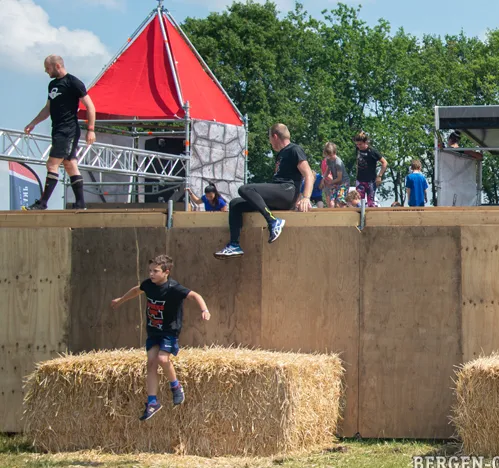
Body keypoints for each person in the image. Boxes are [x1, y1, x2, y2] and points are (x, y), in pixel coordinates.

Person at [110, 254, 210, 421]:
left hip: (169, 332)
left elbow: (195, 295)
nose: (151, 274)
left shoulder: (173, 288)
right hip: (153, 331)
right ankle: (152, 402)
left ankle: (176, 387)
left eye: (155, 271)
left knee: (163, 359)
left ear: (166, 272)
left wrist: (204, 309)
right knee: (151, 362)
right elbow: (137, 290)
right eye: (150, 271)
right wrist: (121, 300)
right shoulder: (148, 285)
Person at [214, 124, 314, 258]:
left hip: (287, 191)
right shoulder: (280, 155)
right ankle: (234, 245)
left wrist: (306, 197)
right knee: (235, 204)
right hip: (280, 193)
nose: (270, 143)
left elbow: (309, 174)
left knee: (246, 189)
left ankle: (273, 221)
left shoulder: (294, 149)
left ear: (275, 136)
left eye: (270, 139)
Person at [23, 55, 96, 210]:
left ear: (57, 66)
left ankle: (42, 203)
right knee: (70, 165)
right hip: (57, 129)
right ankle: (80, 204)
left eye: (47, 68)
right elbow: (47, 108)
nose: (45, 71)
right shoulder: (52, 85)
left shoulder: (74, 83)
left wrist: (91, 129)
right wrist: (33, 123)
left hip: (68, 130)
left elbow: (90, 106)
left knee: (51, 164)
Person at [353, 131, 388, 208]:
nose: (359, 146)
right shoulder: (358, 149)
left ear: (366, 143)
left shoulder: (372, 151)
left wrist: (379, 176)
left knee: (370, 202)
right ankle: (360, 218)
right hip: (360, 180)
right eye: (357, 144)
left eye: (360, 144)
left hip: (370, 181)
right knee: (358, 202)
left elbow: (384, 163)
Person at [322, 142, 348, 208]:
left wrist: (331, 182)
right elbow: (328, 170)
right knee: (331, 200)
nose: (329, 157)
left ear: (334, 152)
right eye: (328, 155)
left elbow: (339, 178)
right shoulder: (328, 160)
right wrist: (323, 177)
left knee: (340, 199)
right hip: (335, 183)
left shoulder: (338, 163)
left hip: (343, 183)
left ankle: (344, 212)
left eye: (330, 155)